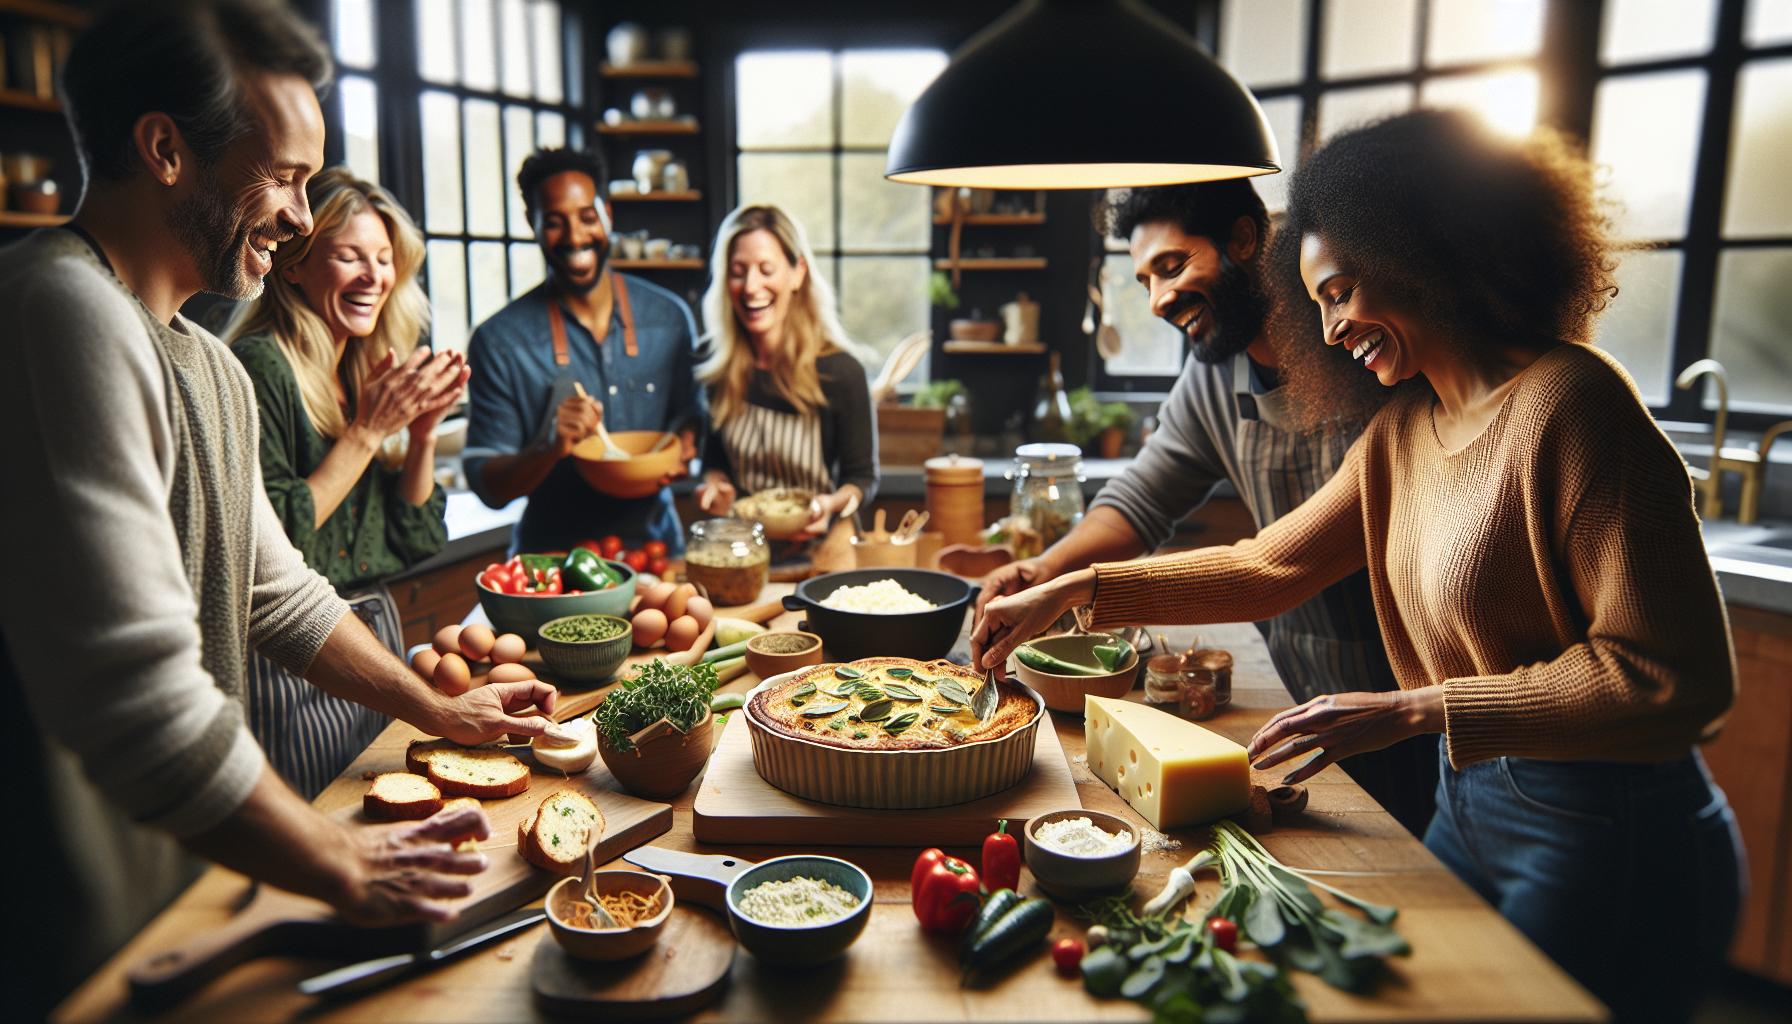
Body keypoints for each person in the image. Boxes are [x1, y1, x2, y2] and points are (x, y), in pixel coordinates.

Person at [974, 109, 1741, 1023]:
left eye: (1341, 294)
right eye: (1318, 304)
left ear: (1424, 252)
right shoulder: (1403, 432)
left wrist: (1414, 709)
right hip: (1472, 802)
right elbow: (1269, 566)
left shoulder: (1576, 410)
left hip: (1608, 826)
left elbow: (1676, 678)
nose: (1331, 330)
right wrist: (1080, 590)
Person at [0, 4, 554, 1015]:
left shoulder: (205, 363)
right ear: (165, 149)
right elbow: (141, 700)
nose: (303, 218)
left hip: (185, 884)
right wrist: (337, 855)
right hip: (76, 926)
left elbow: (279, 594)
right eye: (288, 178)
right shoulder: (61, 308)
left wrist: (435, 709)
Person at [975, 179, 1435, 834]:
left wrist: (1072, 590)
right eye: (1144, 281)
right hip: (1299, 689)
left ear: (1244, 240)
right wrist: (1043, 570)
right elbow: (1140, 499)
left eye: (1172, 265)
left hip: (1412, 693)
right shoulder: (1212, 376)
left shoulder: (1372, 352)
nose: (1160, 299)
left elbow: (1276, 568)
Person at [224, 167, 469, 798]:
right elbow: (276, 541)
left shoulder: (358, 368)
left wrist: (419, 435)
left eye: (384, 259)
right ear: (295, 266)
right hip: (295, 654)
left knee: (381, 811)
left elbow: (414, 538)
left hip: (374, 634)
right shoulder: (260, 366)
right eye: (349, 257)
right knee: (323, 831)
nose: (373, 277)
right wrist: (366, 432)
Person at [463, 148, 704, 555]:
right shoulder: (499, 341)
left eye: (588, 217)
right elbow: (490, 487)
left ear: (607, 215)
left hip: (658, 552)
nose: (575, 238)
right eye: (555, 222)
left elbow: (692, 420)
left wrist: (685, 448)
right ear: (532, 224)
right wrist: (549, 445)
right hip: (550, 564)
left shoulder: (669, 318)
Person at [693, 204, 877, 536]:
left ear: (797, 272)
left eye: (766, 269)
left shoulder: (840, 372)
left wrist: (831, 505)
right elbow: (714, 463)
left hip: (825, 546)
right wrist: (713, 485)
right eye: (738, 271)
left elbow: (862, 480)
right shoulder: (717, 367)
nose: (751, 287)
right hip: (746, 548)